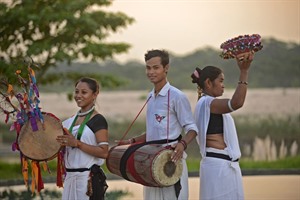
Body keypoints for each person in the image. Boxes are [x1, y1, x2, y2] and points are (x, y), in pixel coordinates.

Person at [121, 49, 198, 200]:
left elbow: (192, 128)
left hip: (171, 162)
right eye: (148, 68)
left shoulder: (177, 96)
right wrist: (132, 142)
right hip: (150, 164)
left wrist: (182, 144)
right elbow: (153, 132)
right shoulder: (151, 96)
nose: (151, 72)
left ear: (166, 68)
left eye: (156, 67)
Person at [191, 51, 254, 200]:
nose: (223, 85)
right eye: (220, 81)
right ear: (208, 83)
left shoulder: (207, 103)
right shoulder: (207, 103)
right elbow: (236, 103)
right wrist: (244, 71)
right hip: (218, 167)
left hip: (222, 166)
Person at [56, 77, 109, 200]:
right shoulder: (68, 122)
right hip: (70, 179)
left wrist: (77, 143)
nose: (78, 95)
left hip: (87, 180)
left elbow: (104, 152)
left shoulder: (98, 120)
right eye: (76, 91)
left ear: (95, 94)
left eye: (84, 92)